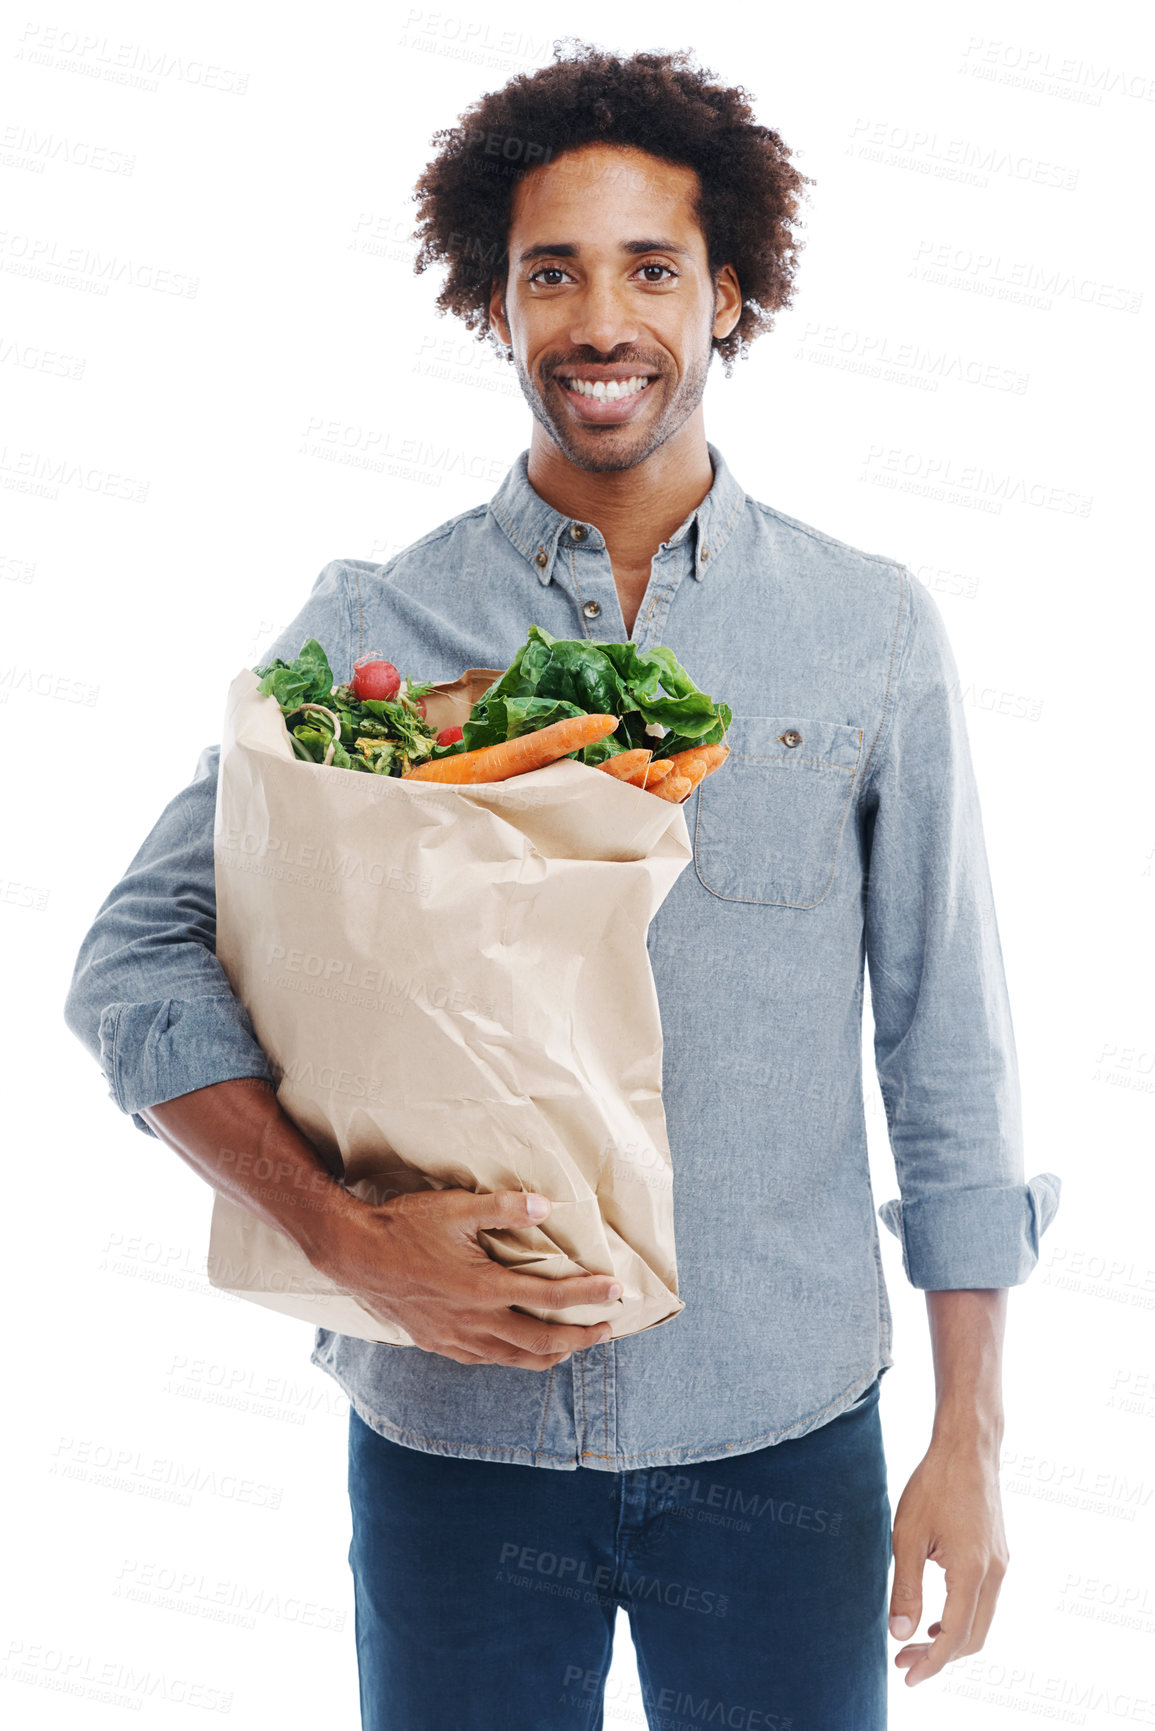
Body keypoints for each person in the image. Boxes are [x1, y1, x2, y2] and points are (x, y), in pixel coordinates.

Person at [64, 41, 1062, 1731]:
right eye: (553, 272)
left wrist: (968, 1437)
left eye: (651, 268)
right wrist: (354, 1243)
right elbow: (134, 959)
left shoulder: (868, 628)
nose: (602, 319)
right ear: (495, 305)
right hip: (452, 1445)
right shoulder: (371, 633)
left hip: (786, 1441)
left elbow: (946, 1046)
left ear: (730, 292)